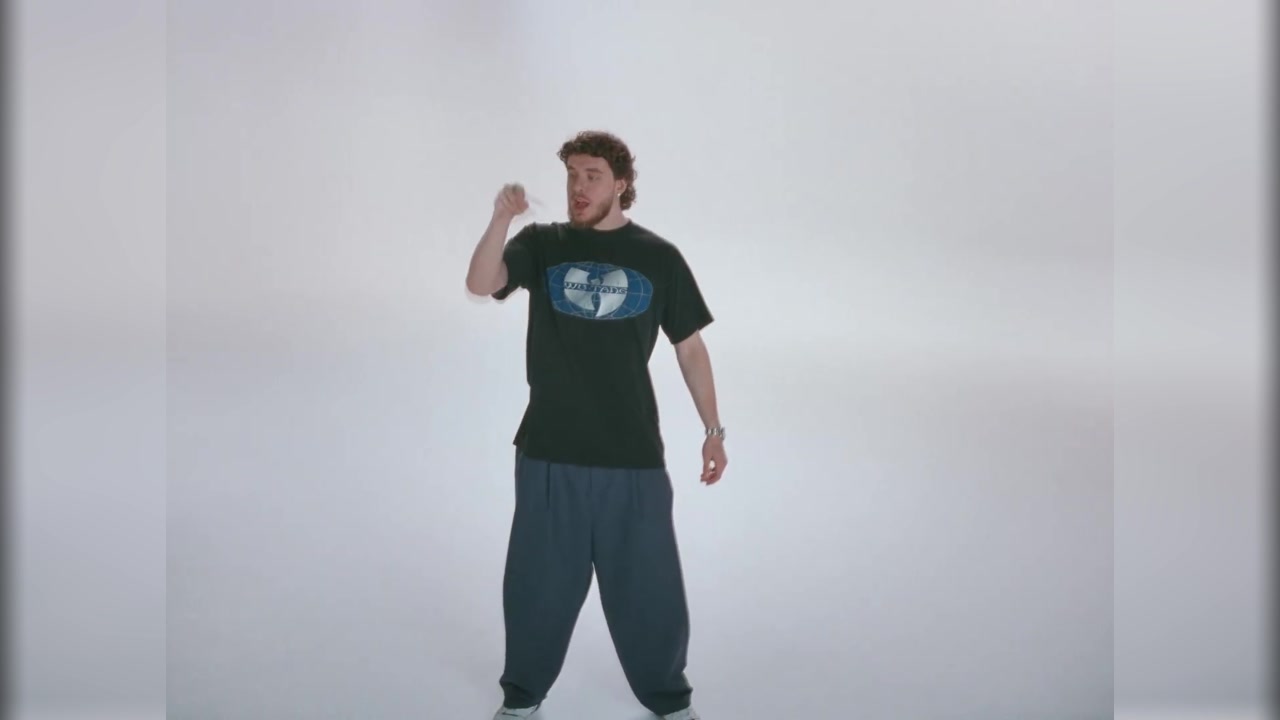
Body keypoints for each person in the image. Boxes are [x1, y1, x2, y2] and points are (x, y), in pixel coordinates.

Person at [465, 130, 726, 720]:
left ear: (621, 184)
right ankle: (522, 699)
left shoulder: (659, 257)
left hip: (631, 455)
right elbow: (481, 284)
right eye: (572, 175)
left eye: (592, 176)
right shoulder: (543, 244)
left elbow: (689, 347)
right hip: (548, 450)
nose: (578, 188)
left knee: (649, 588)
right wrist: (501, 219)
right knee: (537, 586)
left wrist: (713, 431)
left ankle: (668, 701)